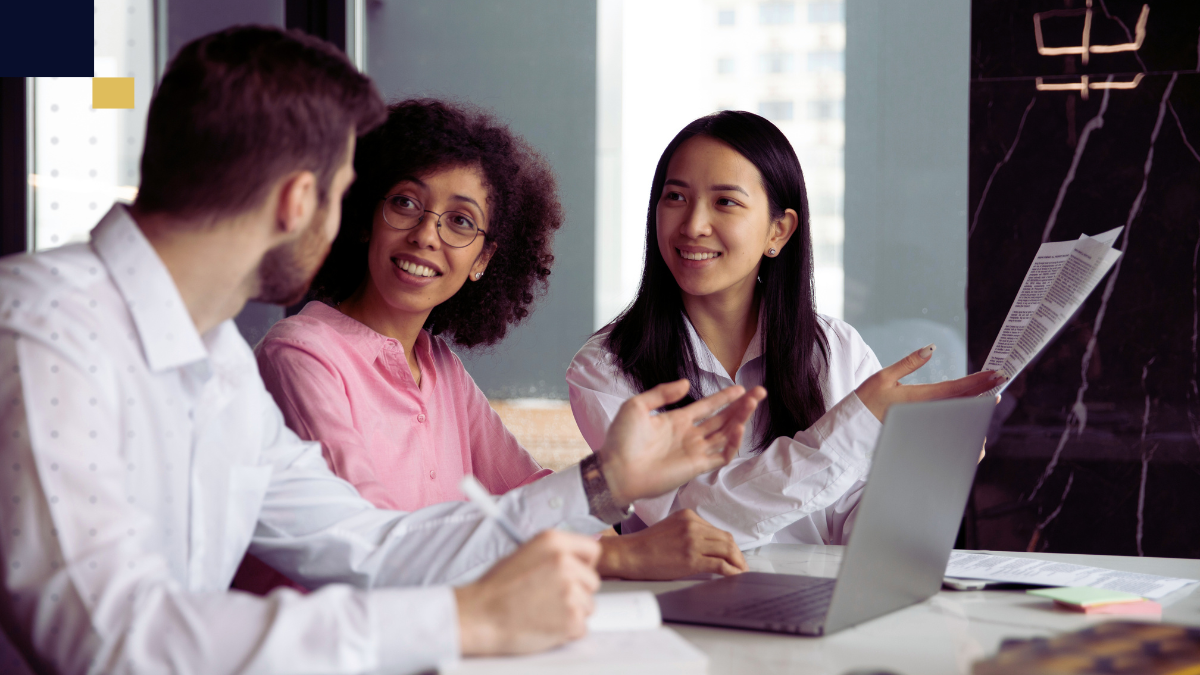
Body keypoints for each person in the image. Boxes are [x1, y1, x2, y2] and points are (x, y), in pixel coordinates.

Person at [0, 28, 764, 674]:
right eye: (349, 196)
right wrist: (461, 621)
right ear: (301, 201)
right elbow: (108, 636)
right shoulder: (42, 327)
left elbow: (369, 544)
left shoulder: (219, 363)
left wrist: (605, 480)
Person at [233, 99, 748, 593]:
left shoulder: (440, 367)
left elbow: (525, 490)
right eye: (406, 203)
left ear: (483, 260)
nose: (425, 235)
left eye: (460, 221)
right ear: (368, 217)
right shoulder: (301, 355)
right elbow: (378, 545)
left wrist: (621, 511)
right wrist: (616, 551)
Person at [567, 110, 1001, 549]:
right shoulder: (608, 365)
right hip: (682, 610)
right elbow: (693, 523)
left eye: (725, 202)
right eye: (675, 197)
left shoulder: (836, 349)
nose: (694, 225)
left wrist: (931, 475)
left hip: (818, 606)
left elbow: (862, 533)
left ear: (779, 230)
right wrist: (848, 430)